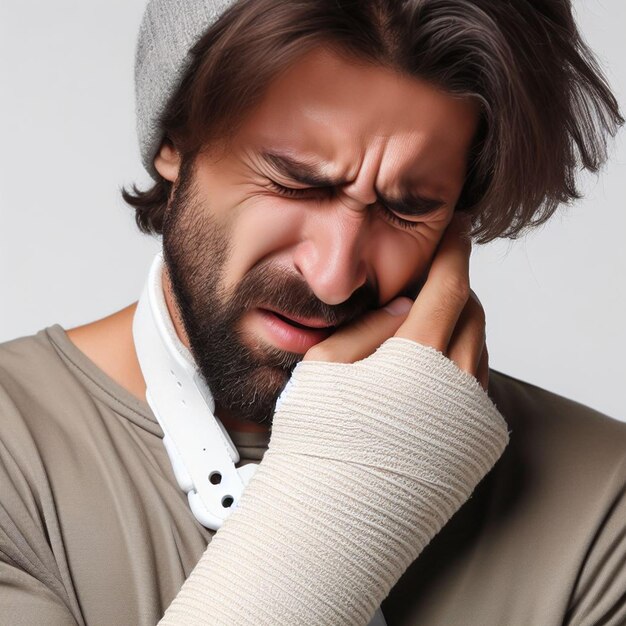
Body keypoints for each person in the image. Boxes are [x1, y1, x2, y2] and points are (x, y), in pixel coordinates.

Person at [0, 0, 624, 624]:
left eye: (407, 210)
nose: (332, 278)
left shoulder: (601, 504)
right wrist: (343, 502)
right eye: (296, 183)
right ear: (175, 137)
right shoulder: (15, 458)